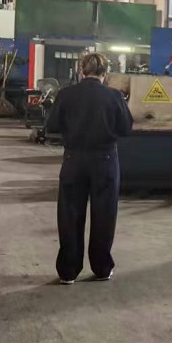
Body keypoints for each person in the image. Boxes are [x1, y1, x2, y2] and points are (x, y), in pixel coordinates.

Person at [47, 51, 133, 284]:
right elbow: (126, 128)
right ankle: (102, 268)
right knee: (104, 214)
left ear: (81, 70)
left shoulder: (66, 94)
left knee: (69, 213)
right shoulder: (114, 96)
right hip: (105, 160)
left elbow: (51, 126)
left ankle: (68, 271)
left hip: (73, 159)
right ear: (105, 73)